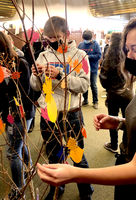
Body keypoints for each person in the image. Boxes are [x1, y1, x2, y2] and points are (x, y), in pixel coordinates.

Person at [37, 11, 136, 200]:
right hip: (125, 168)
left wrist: (75, 174)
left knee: (77, 154)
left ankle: (85, 191)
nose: (129, 57)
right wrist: (120, 122)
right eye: (127, 50)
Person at [30, 16, 94, 200]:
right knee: (53, 154)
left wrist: (60, 74)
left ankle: (85, 189)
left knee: (76, 154)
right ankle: (57, 188)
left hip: (71, 113)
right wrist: (35, 75)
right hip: (47, 113)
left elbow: (84, 86)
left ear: (66, 34)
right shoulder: (43, 55)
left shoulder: (80, 56)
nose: (51, 42)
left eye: (55, 37)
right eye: (48, 38)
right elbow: (35, 87)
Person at [0, 31, 32, 199]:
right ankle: (30, 168)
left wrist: (6, 79)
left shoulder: (20, 63)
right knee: (19, 143)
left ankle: (18, 189)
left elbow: (24, 95)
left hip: (20, 113)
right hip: (8, 113)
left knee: (13, 151)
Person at [99, 32, 133, 153]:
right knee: (127, 121)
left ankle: (113, 145)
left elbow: (103, 80)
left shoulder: (108, 59)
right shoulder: (130, 55)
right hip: (128, 94)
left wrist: (109, 88)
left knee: (112, 120)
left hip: (113, 95)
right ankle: (125, 146)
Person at [78, 30, 101, 109]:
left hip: (93, 69)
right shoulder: (80, 45)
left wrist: (89, 57)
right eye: (85, 39)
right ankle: (85, 100)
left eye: (88, 40)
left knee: (93, 85)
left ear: (91, 38)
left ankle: (95, 101)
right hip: (83, 69)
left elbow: (99, 55)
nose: (86, 41)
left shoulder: (96, 44)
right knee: (84, 84)